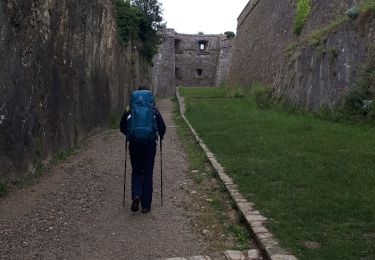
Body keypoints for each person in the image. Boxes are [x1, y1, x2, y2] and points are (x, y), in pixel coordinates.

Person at [119, 87, 166, 214]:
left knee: (136, 171)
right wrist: (161, 135)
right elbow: (162, 127)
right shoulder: (153, 109)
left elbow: (122, 126)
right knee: (148, 172)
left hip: (134, 144)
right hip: (150, 144)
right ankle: (146, 206)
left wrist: (129, 134)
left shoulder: (130, 109)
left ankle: (136, 195)